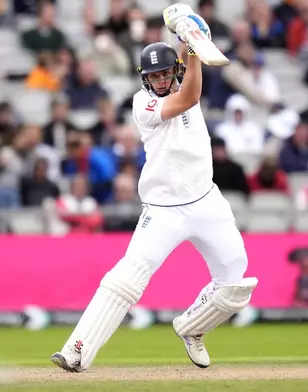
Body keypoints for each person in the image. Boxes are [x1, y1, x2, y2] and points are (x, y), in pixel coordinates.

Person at [51, 6, 257, 372]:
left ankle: (191, 328)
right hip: (163, 210)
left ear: (174, 70)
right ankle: (76, 350)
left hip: (207, 201)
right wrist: (191, 49)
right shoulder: (143, 104)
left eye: (165, 73)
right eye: (153, 76)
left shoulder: (182, 74)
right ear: (145, 79)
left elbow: (186, 71)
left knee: (236, 284)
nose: (161, 80)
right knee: (127, 278)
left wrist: (186, 39)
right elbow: (189, 97)